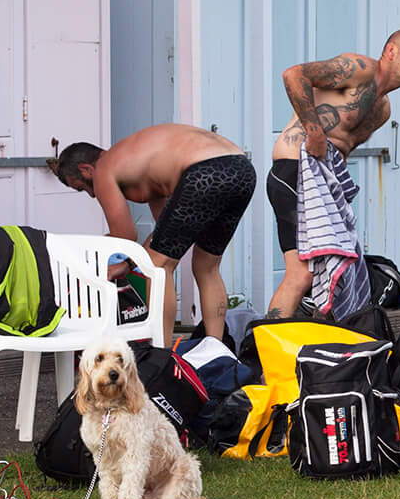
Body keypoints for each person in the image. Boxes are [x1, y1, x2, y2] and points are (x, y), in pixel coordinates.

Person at [267, 30, 400, 318]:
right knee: (302, 274)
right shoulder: (358, 70)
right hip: (294, 170)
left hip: (323, 186)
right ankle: (261, 346)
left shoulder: (382, 110)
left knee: (335, 274)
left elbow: (342, 151)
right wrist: (315, 130)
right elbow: (294, 75)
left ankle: (313, 347)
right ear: (391, 51)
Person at [50, 124, 254, 344]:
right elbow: (165, 234)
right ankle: (217, 348)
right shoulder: (138, 161)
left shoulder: (103, 169)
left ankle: (163, 353)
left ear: (86, 169)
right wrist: (130, 262)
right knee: (206, 266)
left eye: (82, 188)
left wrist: (84, 260)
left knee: (157, 268)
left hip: (205, 171)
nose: (91, 195)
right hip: (241, 169)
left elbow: (125, 235)